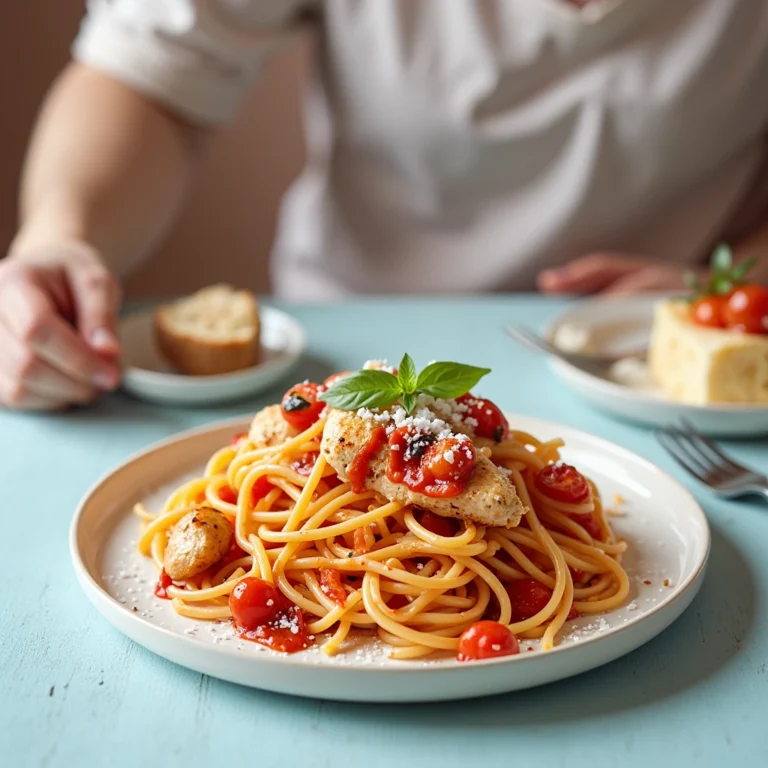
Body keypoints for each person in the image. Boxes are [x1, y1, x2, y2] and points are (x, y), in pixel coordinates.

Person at [2, 0, 768, 411]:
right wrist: (58, 240)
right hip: (338, 348)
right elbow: (149, 74)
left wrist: (736, 298)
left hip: (662, 369)